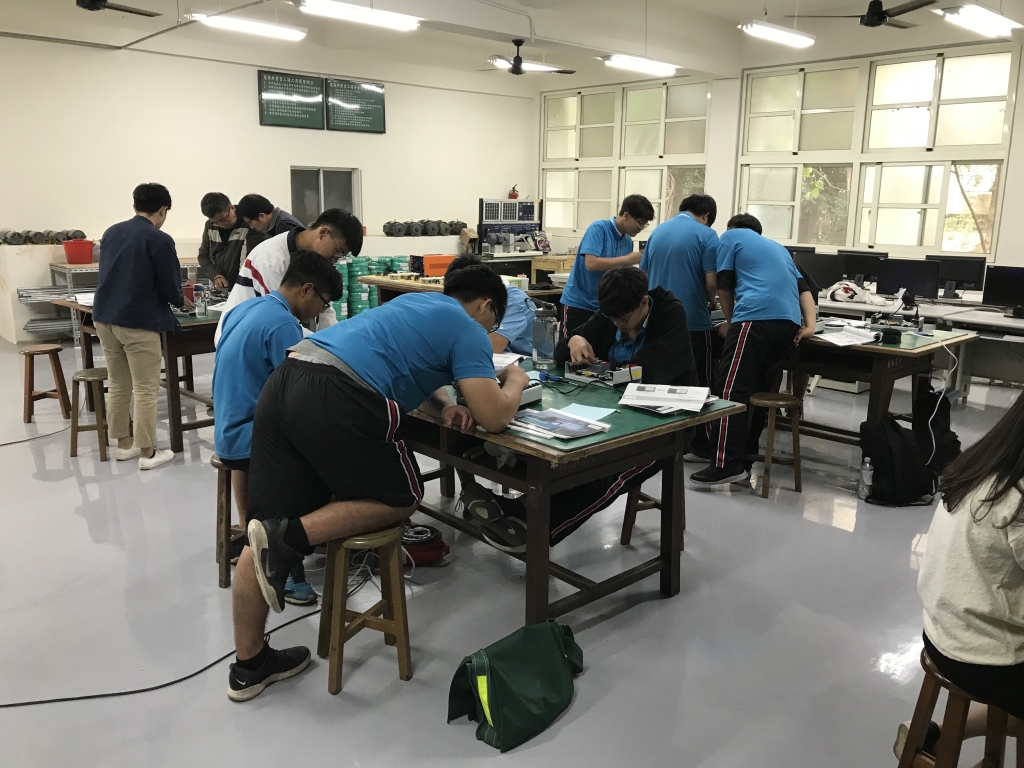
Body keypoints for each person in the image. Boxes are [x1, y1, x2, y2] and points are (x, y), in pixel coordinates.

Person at [228, 264, 530, 701]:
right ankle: (289, 537)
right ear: (485, 305)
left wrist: (443, 404)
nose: (490, 332)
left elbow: (408, 364)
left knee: (259, 532)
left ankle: (249, 666)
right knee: (404, 496)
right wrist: (515, 380)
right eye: (493, 322)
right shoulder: (469, 329)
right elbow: (495, 417)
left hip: (288, 379)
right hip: (337, 393)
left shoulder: (413, 304)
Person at [463, 267, 698, 552]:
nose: (618, 324)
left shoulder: (670, 313)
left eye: (623, 319)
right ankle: (521, 510)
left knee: (609, 467)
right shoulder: (614, 312)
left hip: (667, 424)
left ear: (644, 303)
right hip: (615, 412)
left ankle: (537, 527)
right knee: (573, 458)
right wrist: (574, 340)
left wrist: (607, 367)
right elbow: (562, 352)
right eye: (612, 319)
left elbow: (651, 368)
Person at [893, 393, 1024, 760]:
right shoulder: (1018, 496)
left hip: (942, 629)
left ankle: (941, 735)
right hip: (985, 655)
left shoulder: (987, 461)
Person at [212, 251, 343, 604]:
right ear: (307, 289)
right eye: (323, 303)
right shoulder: (283, 324)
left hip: (227, 429)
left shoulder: (246, 308)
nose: (319, 312)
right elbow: (296, 393)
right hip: (250, 435)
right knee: (334, 451)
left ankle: (262, 536)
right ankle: (283, 558)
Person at [690, 214, 817, 487]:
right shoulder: (779, 249)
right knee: (759, 391)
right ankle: (744, 461)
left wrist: (732, 322)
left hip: (756, 318)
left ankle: (725, 465)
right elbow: (804, 291)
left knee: (730, 391)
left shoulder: (731, 237)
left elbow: (723, 287)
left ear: (732, 228)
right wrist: (810, 326)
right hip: (788, 324)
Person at [92, 183, 190, 471]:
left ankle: (124, 445)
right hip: (137, 320)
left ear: (135, 205)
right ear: (163, 209)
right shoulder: (159, 238)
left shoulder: (111, 232)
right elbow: (169, 284)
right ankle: (148, 452)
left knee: (119, 383)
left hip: (104, 316)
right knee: (146, 387)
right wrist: (181, 300)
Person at [640, 193, 721, 461]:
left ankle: (665, 441)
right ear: (706, 216)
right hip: (693, 321)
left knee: (663, 380)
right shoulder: (706, 235)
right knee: (699, 383)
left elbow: (643, 276)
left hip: (657, 320)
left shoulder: (657, 232)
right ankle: (699, 445)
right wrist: (711, 300)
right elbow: (712, 282)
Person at [215, 208, 362, 345]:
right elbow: (280, 319)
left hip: (273, 336)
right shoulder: (270, 259)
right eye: (337, 252)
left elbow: (324, 308)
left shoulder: (315, 259)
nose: (335, 259)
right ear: (323, 233)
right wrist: (323, 346)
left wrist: (336, 340)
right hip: (241, 341)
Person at [559, 195, 654, 339]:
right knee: (572, 347)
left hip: (605, 309)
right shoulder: (598, 229)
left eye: (645, 224)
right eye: (640, 222)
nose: (641, 228)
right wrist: (627, 259)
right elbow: (591, 264)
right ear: (626, 215)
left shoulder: (627, 241)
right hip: (579, 305)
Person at [197, 192, 265, 290]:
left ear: (232, 208)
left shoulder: (249, 224)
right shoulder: (210, 226)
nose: (221, 224)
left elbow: (250, 261)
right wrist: (215, 276)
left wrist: (241, 286)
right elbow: (203, 256)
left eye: (223, 219)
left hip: (244, 286)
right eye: (215, 222)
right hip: (220, 289)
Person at [235, 194, 305, 237]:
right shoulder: (273, 225)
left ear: (261, 216)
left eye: (250, 222)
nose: (252, 227)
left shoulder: (284, 225)